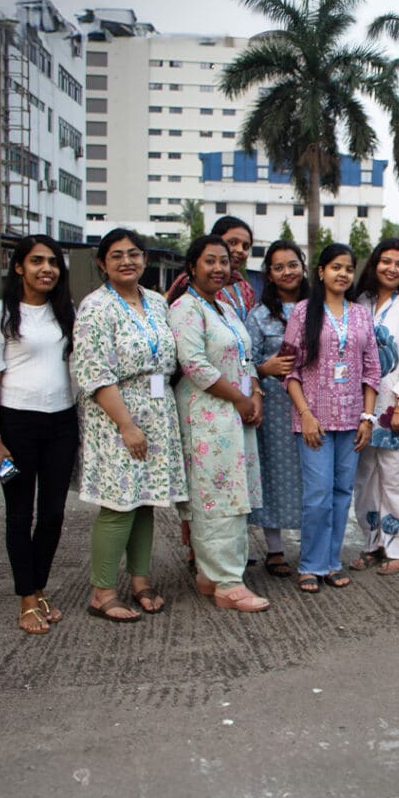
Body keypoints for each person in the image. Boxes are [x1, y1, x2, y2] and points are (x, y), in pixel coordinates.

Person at [74, 229, 188, 622]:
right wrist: (126, 425)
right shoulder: (95, 307)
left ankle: (141, 581)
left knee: (146, 502)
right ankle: (103, 593)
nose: (127, 261)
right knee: (119, 505)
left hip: (157, 410)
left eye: (134, 254)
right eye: (117, 255)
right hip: (116, 415)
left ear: (144, 259)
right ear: (102, 263)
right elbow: (94, 372)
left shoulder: (156, 301)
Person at [0, 235, 78, 634]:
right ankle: (26, 598)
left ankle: (38, 587)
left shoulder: (65, 311)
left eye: (53, 262)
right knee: (20, 514)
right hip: (16, 424)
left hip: (62, 423)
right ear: (18, 266)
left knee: (53, 514)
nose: (46, 269)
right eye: (36, 261)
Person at [169, 236, 269, 612]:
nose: (218, 268)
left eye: (224, 262)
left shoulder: (224, 307)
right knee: (216, 499)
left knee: (232, 496)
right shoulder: (185, 308)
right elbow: (194, 363)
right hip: (207, 414)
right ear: (192, 267)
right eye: (209, 261)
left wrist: (255, 393)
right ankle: (228, 583)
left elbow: (245, 357)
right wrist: (240, 399)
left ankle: (211, 575)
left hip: (234, 416)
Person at [283, 244, 380, 593]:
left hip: (352, 420)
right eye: (336, 267)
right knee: (318, 495)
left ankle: (331, 562)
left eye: (348, 268)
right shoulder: (303, 312)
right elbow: (290, 370)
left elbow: (372, 370)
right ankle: (310, 564)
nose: (343, 274)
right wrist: (305, 415)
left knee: (341, 493)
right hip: (314, 421)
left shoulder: (361, 314)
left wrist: (367, 417)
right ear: (321, 272)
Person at [350, 238, 399, 576]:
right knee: (365, 480)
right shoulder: (360, 302)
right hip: (362, 408)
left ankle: (397, 548)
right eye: (386, 261)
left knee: (398, 481)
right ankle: (372, 544)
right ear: (374, 264)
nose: (392, 269)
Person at [244, 241, 309, 578]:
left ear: (303, 267)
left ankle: (313, 548)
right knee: (274, 476)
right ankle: (275, 550)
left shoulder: (319, 309)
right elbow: (244, 361)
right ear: (268, 274)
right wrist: (264, 368)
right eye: (279, 267)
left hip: (315, 407)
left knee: (313, 477)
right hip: (275, 409)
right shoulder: (259, 315)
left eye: (293, 264)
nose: (287, 272)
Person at [167, 215, 256, 321]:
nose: (240, 250)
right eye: (233, 242)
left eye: (245, 246)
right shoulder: (190, 284)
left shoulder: (245, 288)